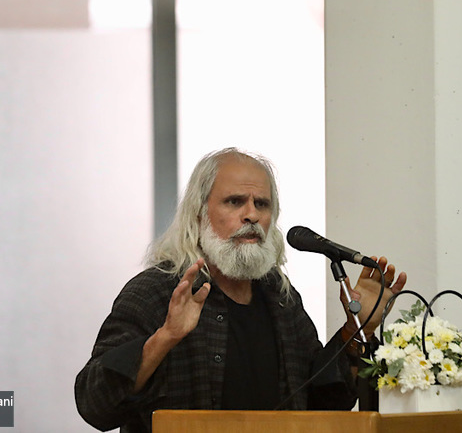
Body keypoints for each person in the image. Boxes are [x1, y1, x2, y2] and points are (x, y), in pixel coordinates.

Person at [75, 148, 407, 432]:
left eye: (261, 204)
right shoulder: (156, 291)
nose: (251, 215)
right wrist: (166, 336)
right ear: (199, 213)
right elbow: (95, 404)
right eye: (235, 202)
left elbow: (323, 404)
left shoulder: (280, 297)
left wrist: (357, 329)